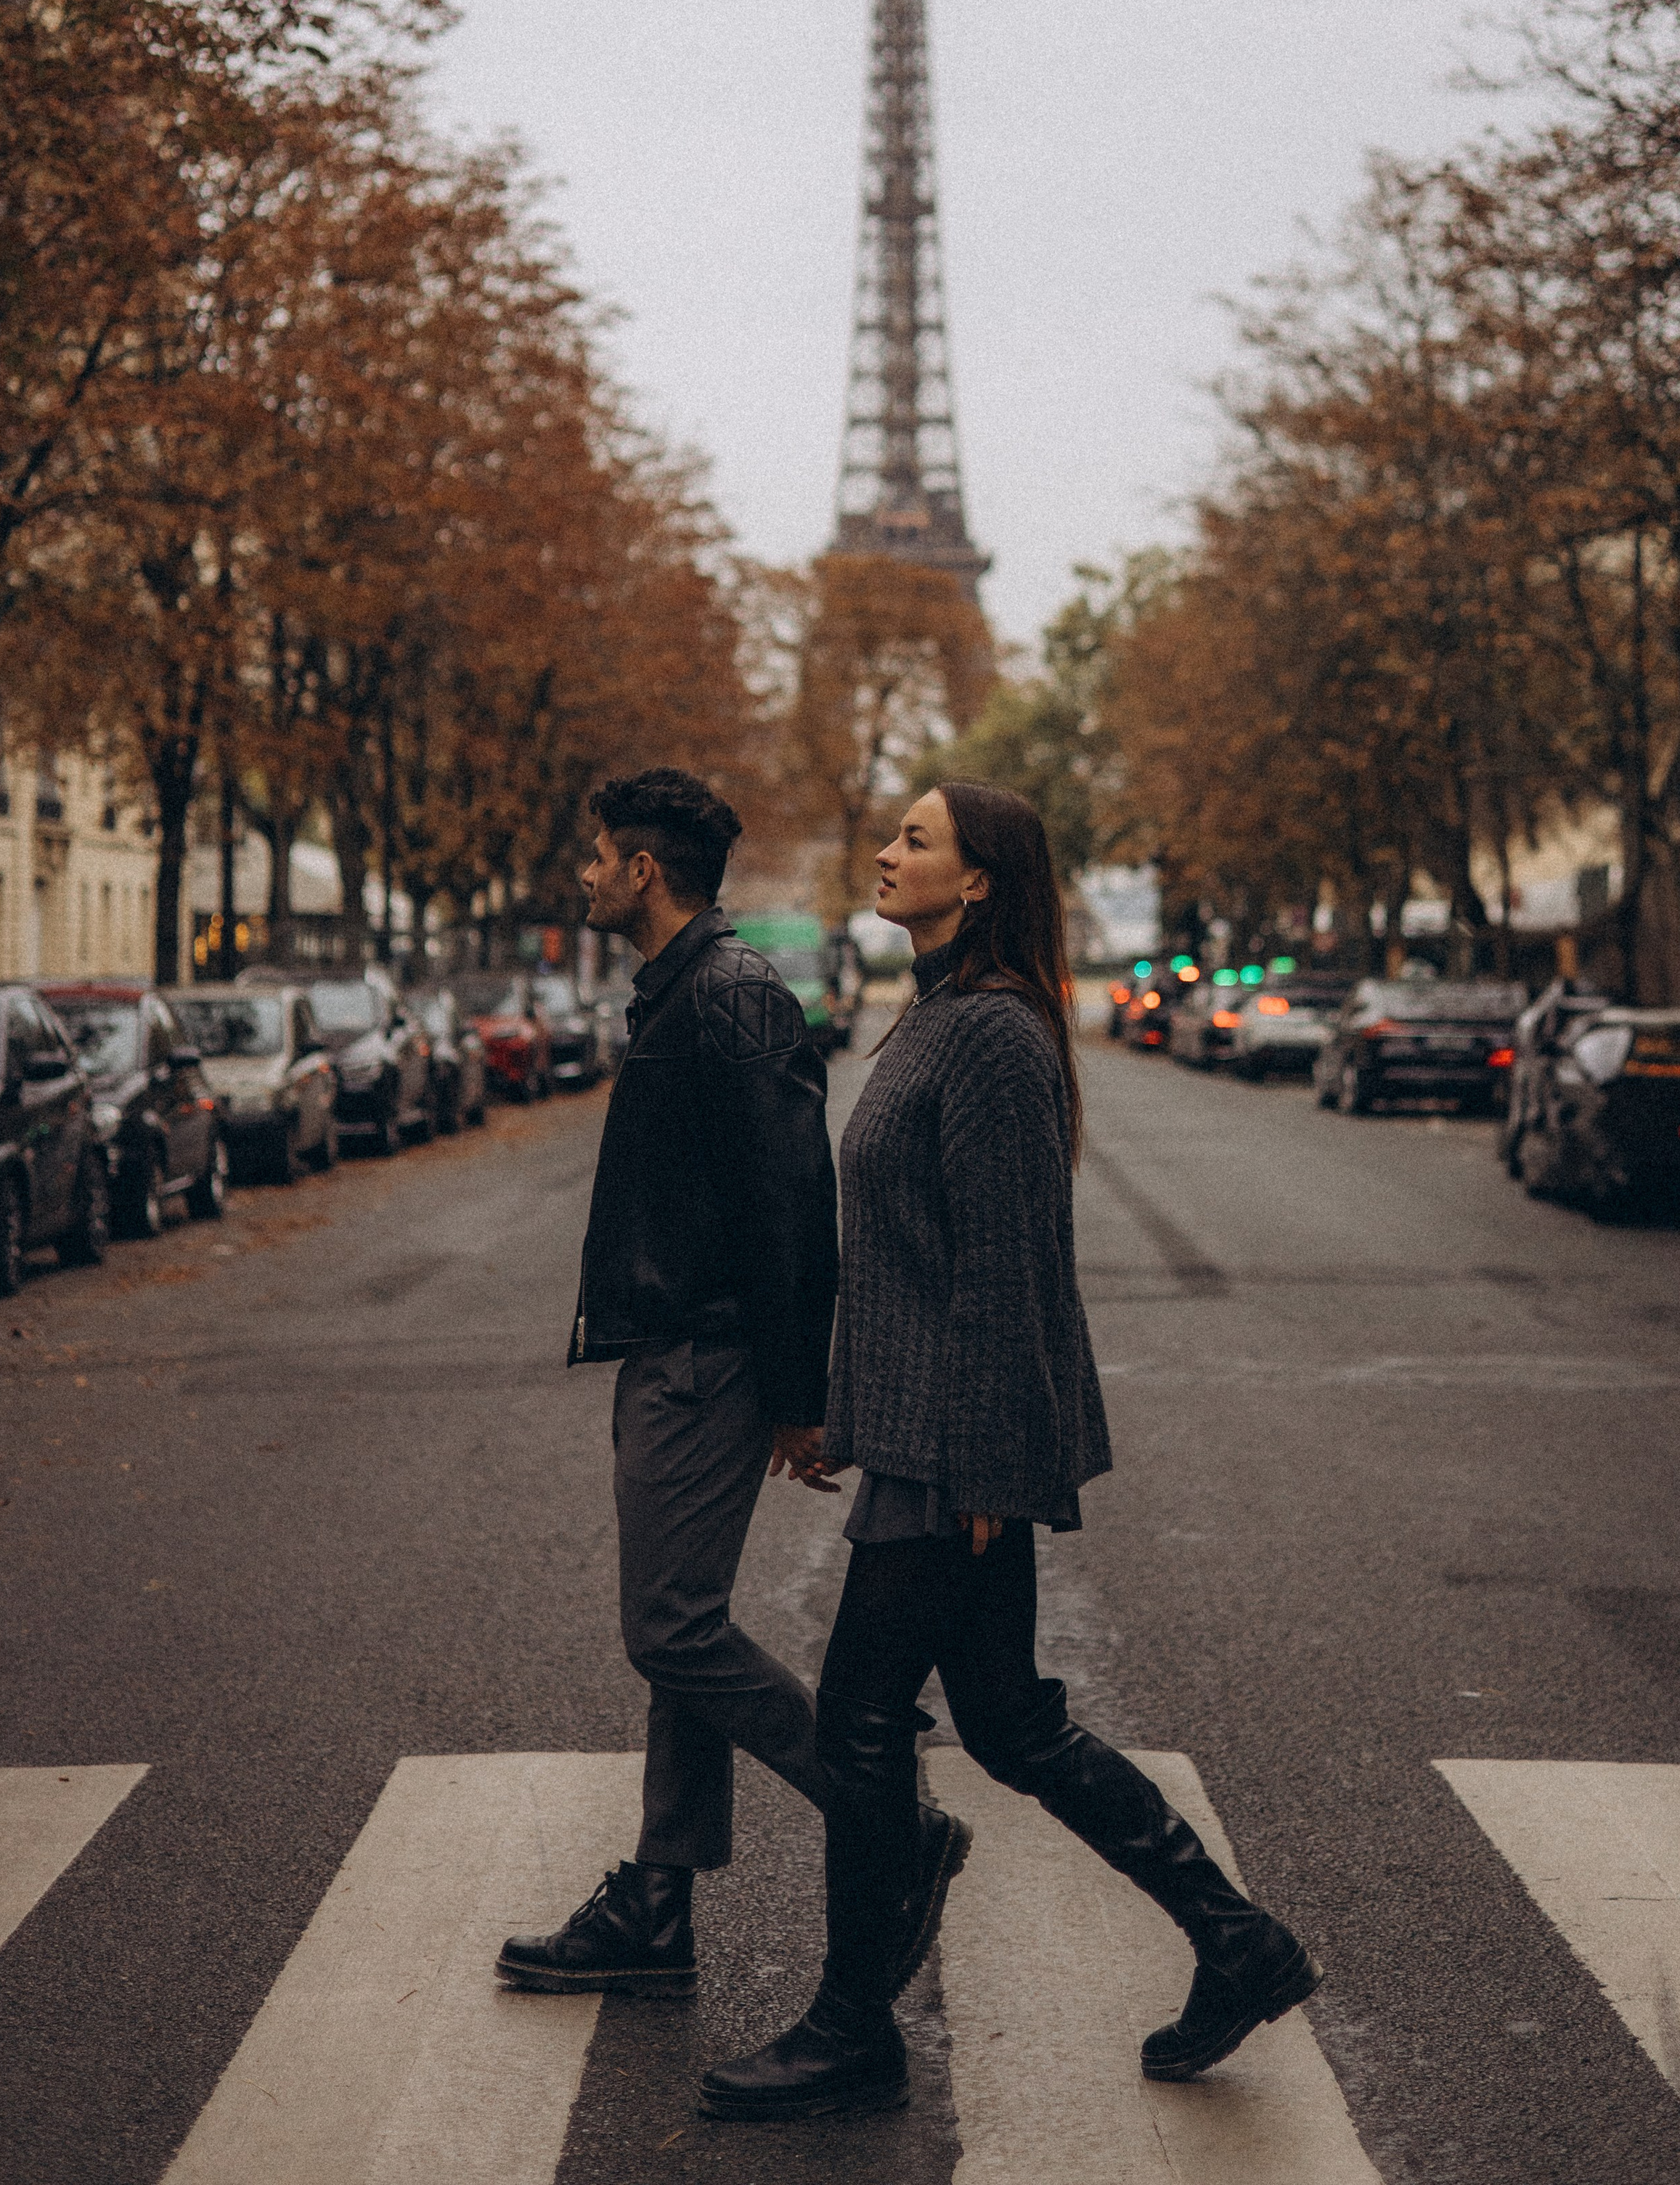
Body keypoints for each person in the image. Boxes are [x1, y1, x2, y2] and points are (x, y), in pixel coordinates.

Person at [700, 780, 1321, 2122]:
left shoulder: (986, 1036)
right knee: (1008, 1721)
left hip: (957, 1452)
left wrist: (982, 1474)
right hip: (927, 1436)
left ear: (977, 881)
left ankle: (851, 2028)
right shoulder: (940, 1020)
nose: (885, 850)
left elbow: (1005, 1269)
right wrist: (848, 1421)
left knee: (864, 1728)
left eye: (916, 839)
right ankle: (1239, 1940)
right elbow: (910, 1263)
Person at [497, 767, 966, 2004]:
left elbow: (790, 1203)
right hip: (678, 1345)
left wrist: (797, 1392)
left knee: (672, 1628)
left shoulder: (732, 996)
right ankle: (660, 1898)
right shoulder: (687, 989)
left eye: (599, 856)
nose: (586, 874)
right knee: (680, 1629)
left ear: (644, 871)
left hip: (705, 1359)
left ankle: (885, 1818)